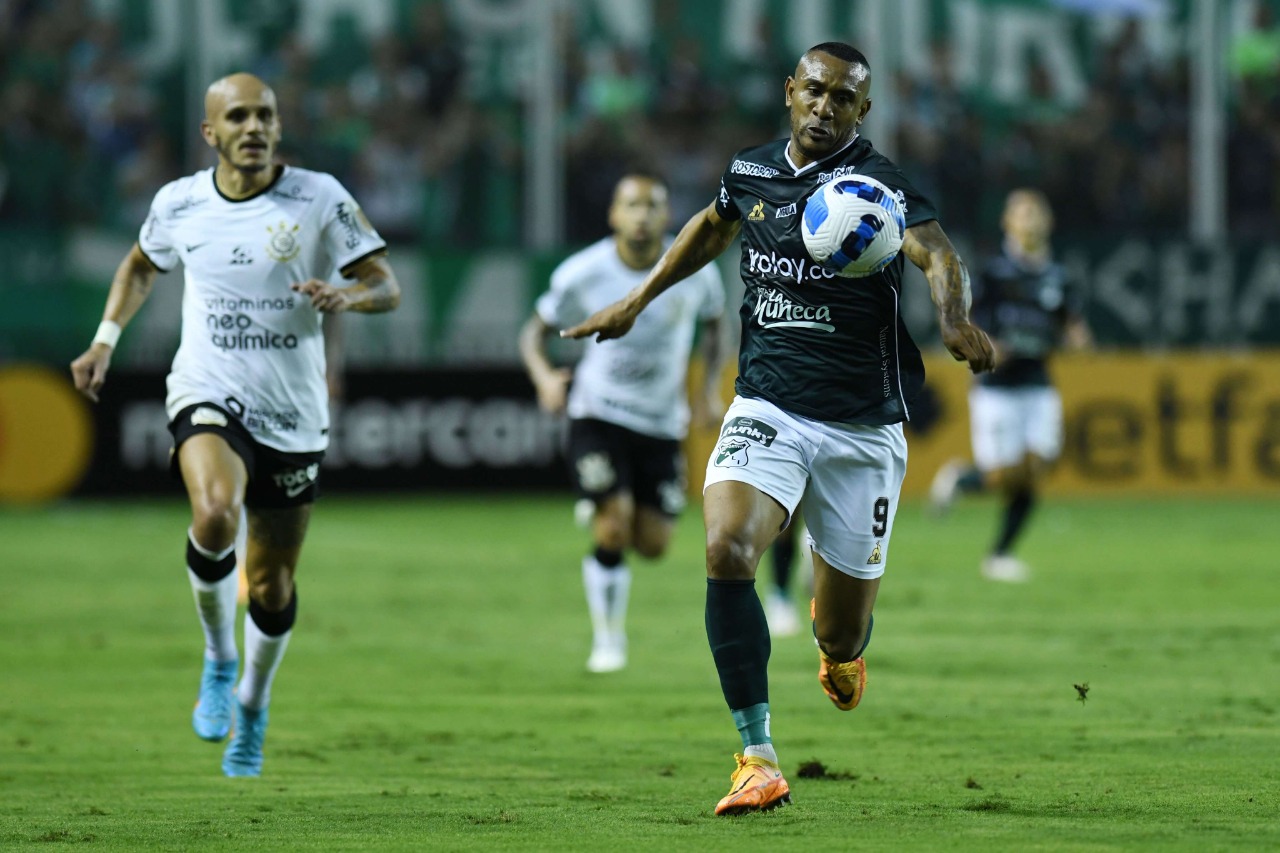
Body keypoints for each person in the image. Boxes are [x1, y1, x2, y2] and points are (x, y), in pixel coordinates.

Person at [564, 42, 994, 815]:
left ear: (864, 111)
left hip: (862, 428)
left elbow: (934, 251)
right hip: (767, 405)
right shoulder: (751, 170)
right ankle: (756, 755)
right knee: (727, 545)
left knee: (839, 628)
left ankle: (842, 653)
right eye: (816, 92)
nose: (826, 109)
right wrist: (637, 299)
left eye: (844, 100)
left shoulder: (880, 185)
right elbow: (709, 227)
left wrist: (954, 317)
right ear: (790, 90)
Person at [69, 73, 401, 777]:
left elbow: (386, 284)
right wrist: (104, 339)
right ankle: (220, 657)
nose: (254, 127)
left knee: (272, 582)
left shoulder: (320, 197)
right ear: (210, 133)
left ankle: (252, 703)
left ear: (279, 128)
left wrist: (346, 295)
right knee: (215, 511)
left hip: (294, 410)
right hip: (207, 388)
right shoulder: (180, 202)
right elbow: (137, 267)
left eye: (266, 116)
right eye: (239, 116)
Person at [520, 172, 726, 673]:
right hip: (599, 413)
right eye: (631, 205)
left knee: (653, 546)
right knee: (614, 530)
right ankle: (608, 639)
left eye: (652, 206)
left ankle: (603, 504)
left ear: (667, 216)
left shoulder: (695, 268)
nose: (641, 216)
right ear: (614, 215)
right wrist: (545, 377)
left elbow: (717, 322)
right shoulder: (583, 272)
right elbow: (534, 332)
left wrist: (708, 390)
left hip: (661, 422)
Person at [929, 188, 1090, 582]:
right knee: (1002, 475)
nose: (1030, 218)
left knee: (1037, 467)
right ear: (1008, 223)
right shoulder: (992, 271)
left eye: (1037, 211)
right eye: (1022, 212)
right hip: (997, 387)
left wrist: (1078, 336)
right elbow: (966, 318)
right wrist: (987, 343)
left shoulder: (1057, 275)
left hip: (1038, 382)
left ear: (1048, 222)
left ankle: (1000, 554)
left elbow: (1070, 321)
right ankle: (963, 479)